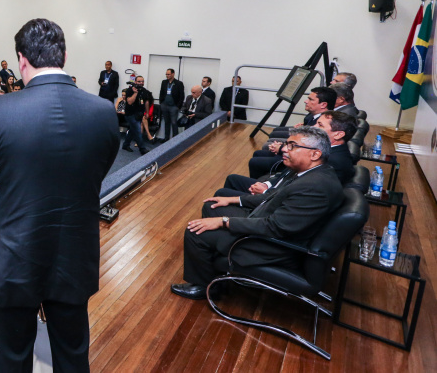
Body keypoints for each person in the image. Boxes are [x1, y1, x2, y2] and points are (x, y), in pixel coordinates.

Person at [0, 18, 120, 373]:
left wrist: (1, 188)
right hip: (74, 258)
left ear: (21, 60)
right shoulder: (104, 112)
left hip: (17, 260)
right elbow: (97, 172)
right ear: (63, 55)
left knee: (14, 358)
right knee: (73, 355)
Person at [171, 126, 344, 300]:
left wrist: (224, 221)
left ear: (315, 154)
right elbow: (271, 198)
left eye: (292, 146)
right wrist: (232, 200)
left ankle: (205, 287)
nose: (284, 149)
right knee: (212, 207)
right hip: (268, 223)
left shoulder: (314, 187)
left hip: (273, 246)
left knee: (195, 232)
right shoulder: (312, 173)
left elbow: (274, 227)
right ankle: (215, 265)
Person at [121, 76, 152, 155]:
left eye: (142, 81)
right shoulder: (130, 90)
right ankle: (142, 149)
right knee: (138, 130)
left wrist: (147, 113)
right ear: (135, 82)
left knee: (132, 130)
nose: (141, 83)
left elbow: (146, 102)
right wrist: (135, 93)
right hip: (130, 114)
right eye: (139, 81)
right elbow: (130, 102)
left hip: (139, 114)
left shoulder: (145, 91)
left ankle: (125, 145)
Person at [158, 68, 185, 141]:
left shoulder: (179, 83)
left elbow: (181, 96)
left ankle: (175, 139)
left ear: (173, 74)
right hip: (165, 105)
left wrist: (178, 106)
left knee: (174, 122)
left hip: (174, 106)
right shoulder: (164, 82)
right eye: (166, 74)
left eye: (169, 74)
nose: (167, 75)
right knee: (166, 122)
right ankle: (166, 138)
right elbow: (161, 93)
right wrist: (161, 103)